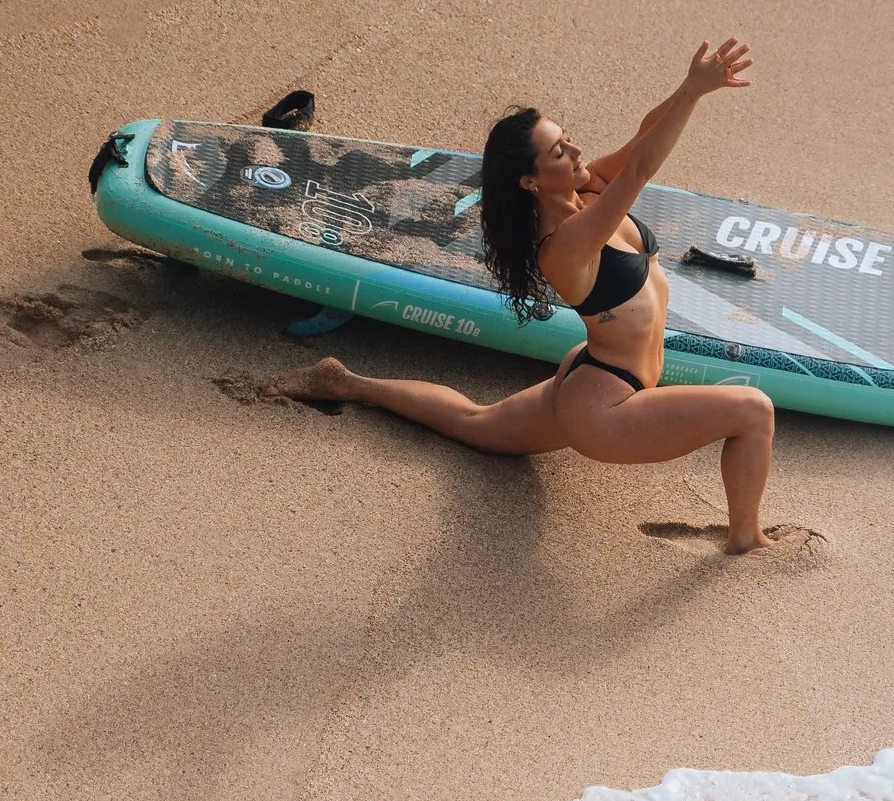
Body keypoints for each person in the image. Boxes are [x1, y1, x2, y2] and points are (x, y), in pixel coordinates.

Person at [284, 40, 797, 552]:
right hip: (608, 408)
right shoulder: (563, 249)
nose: (576, 152)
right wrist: (690, 92)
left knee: (476, 423)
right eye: (559, 151)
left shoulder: (588, 187)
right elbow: (642, 169)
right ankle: (745, 538)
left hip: (590, 376)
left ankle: (346, 382)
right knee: (754, 411)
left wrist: (692, 92)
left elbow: (645, 134)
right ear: (529, 181)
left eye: (568, 140)